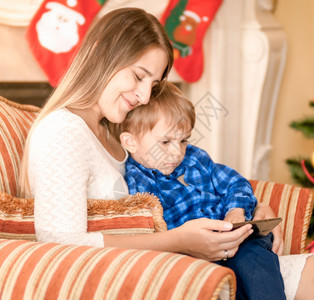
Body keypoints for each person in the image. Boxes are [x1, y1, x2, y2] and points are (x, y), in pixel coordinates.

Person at [19, 7, 314, 300]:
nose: (145, 96)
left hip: (180, 261)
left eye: (154, 82)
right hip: (140, 275)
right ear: (100, 55)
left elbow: (188, 180)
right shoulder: (63, 130)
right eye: (138, 76)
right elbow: (60, 243)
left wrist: (252, 209)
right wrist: (179, 241)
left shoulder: (112, 130)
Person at [119, 82, 286, 299]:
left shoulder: (196, 158)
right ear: (130, 142)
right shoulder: (138, 184)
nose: (177, 152)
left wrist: (236, 211)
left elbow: (236, 183)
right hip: (192, 255)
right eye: (165, 142)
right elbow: (151, 236)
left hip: (236, 241)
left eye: (183, 140)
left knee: (253, 257)